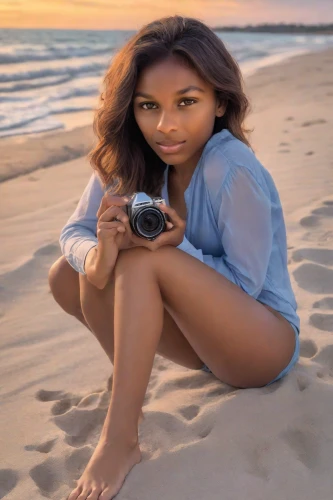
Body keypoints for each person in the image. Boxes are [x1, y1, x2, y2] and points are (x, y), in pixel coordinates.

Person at [49, 15, 300, 500]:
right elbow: (73, 232)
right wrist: (98, 256)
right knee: (69, 274)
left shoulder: (231, 167)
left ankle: (120, 439)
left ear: (219, 101)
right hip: (202, 346)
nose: (166, 125)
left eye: (187, 102)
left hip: (262, 345)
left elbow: (246, 288)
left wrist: (176, 248)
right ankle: (130, 394)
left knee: (142, 261)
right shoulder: (129, 156)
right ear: (131, 108)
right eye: (148, 106)